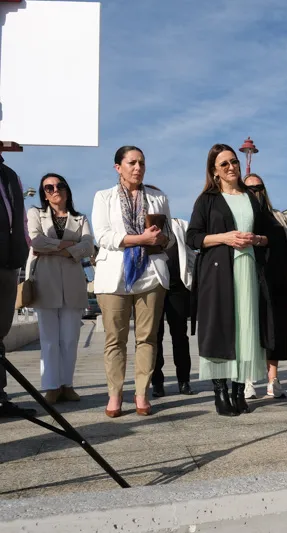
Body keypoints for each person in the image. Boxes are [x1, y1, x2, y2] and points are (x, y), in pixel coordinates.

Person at [187, 144, 274, 416]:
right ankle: (220, 392)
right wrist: (224, 237)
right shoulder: (207, 200)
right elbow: (193, 237)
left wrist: (256, 239)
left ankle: (239, 390)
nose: (231, 167)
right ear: (214, 171)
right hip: (218, 271)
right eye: (224, 164)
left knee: (246, 330)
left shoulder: (252, 198)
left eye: (234, 162)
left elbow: (269, 234)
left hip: (248, 268)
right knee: (221, 328)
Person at [92, 146, 174, 418]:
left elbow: (170, 237)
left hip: (151, 273)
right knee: (115, 339)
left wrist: (161, 239)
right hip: (114, 276)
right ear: (118, 167)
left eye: (141, 162)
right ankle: (115, 394)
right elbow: (102, 236)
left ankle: (141, 393)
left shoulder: (158, 196)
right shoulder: (103, 197)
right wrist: (140, 239)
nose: (138, 167)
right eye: (131, 163)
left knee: (147, 338)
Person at [26, 173, 94, 404]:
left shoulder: (80, 218)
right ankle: (51, 386)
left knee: (70, 338)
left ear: (67, 189)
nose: (55, 190)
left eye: (60, 185)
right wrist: (68, 246)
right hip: (45, 282)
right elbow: (35, 241)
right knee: (48, 338)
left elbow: (88, 247)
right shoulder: (35, 213)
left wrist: (56, 248)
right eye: (48, 187)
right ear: (44, 193)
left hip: (73, 283)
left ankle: (67, 384)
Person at [240, 172, 287, 400]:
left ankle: (273, 380)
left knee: (275, 331)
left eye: (258, 187)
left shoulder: (278, 217)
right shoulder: (240, 217)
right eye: (249, 189)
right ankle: (248, 380)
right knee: (249, 330)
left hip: (275, 281)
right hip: (248, 279)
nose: (255, 192)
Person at [0, 154, 36, 418]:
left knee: (0, 332)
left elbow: (19, 219)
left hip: (8, 263)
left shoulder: (9, 175)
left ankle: (0, 398)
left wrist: (22, 248)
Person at [152, 216, 196, 397]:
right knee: (154, 337)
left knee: (180, 336)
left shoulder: (179, 224)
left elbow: (191, 249)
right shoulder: (145, 223)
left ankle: (184, 381)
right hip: (153, 285)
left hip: (178, 286)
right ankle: (157, 383)